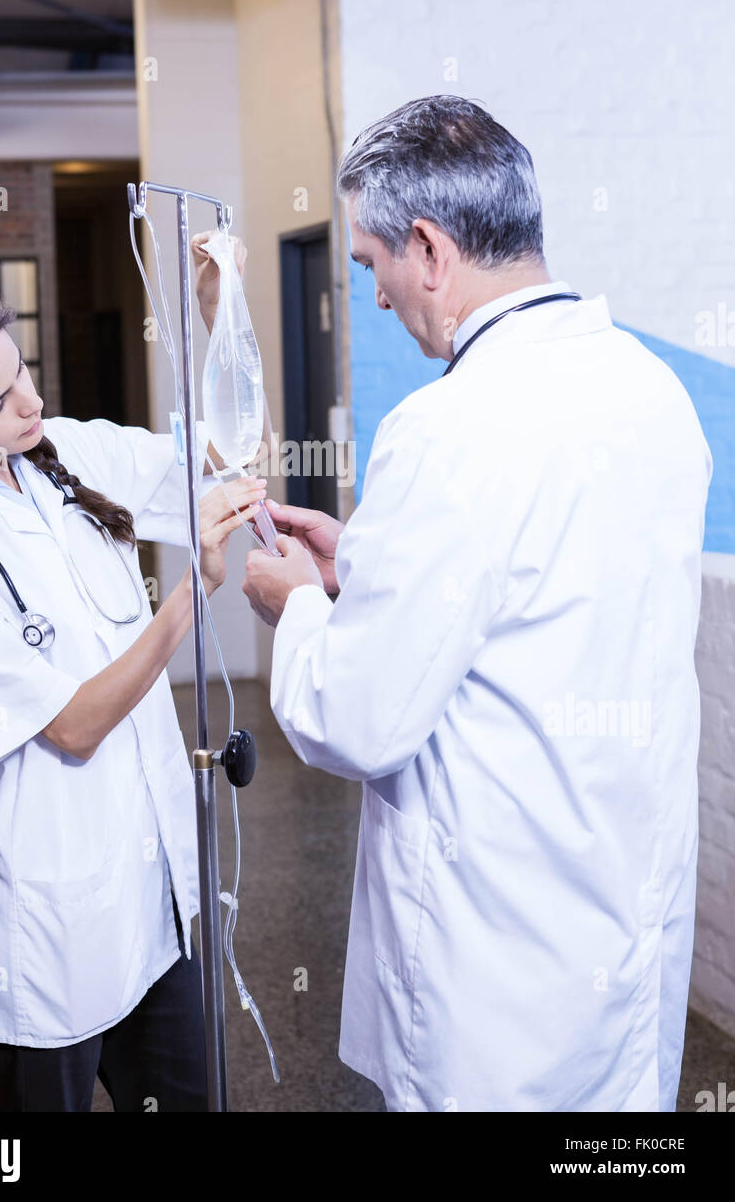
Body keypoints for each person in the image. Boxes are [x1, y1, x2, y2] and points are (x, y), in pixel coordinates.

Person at [242, 94, 713, 1112]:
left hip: (493, 944)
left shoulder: (445, 427)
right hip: (615, 898)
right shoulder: (646, 390)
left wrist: (298, 604)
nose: (371, 298)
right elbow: (528, 602)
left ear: (427, 247)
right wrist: (360, 575)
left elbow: (357, 719)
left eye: (368, 264)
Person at [0, 264, 267, 1113]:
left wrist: (217, 315)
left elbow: (227, 455)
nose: (30, 405)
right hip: (45, 926)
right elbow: (74, 726)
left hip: (156, 888)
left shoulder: (64, 453)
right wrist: (188, 598)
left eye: (22, 372)